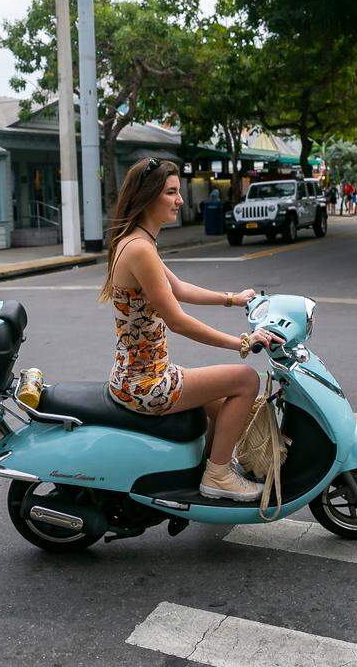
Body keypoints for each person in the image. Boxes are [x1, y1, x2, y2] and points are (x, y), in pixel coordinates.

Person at [99, 158, 285, 501]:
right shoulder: (140, 249)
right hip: (147, 384)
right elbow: (178, 320)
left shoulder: (135, 240)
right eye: (171, 193)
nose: (180, 200)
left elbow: (180, 288)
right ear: (149, 196)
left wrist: (233, 298)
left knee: (218, 402)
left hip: (133, 376)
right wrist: (243, 342)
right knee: (245, 380)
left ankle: (207, 470)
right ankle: (217, 476)